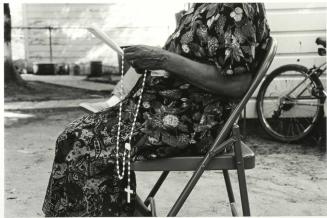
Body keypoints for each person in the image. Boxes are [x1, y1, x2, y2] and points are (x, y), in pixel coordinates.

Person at [43, 3, 270, 216]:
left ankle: (118, 210)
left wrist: (163, 59)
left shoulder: (235, 5)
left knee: (79, 140)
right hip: (172, 106)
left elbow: (237, 83)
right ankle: (123, 209)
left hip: (197, 121)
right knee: (76, 137)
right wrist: (153, 61)